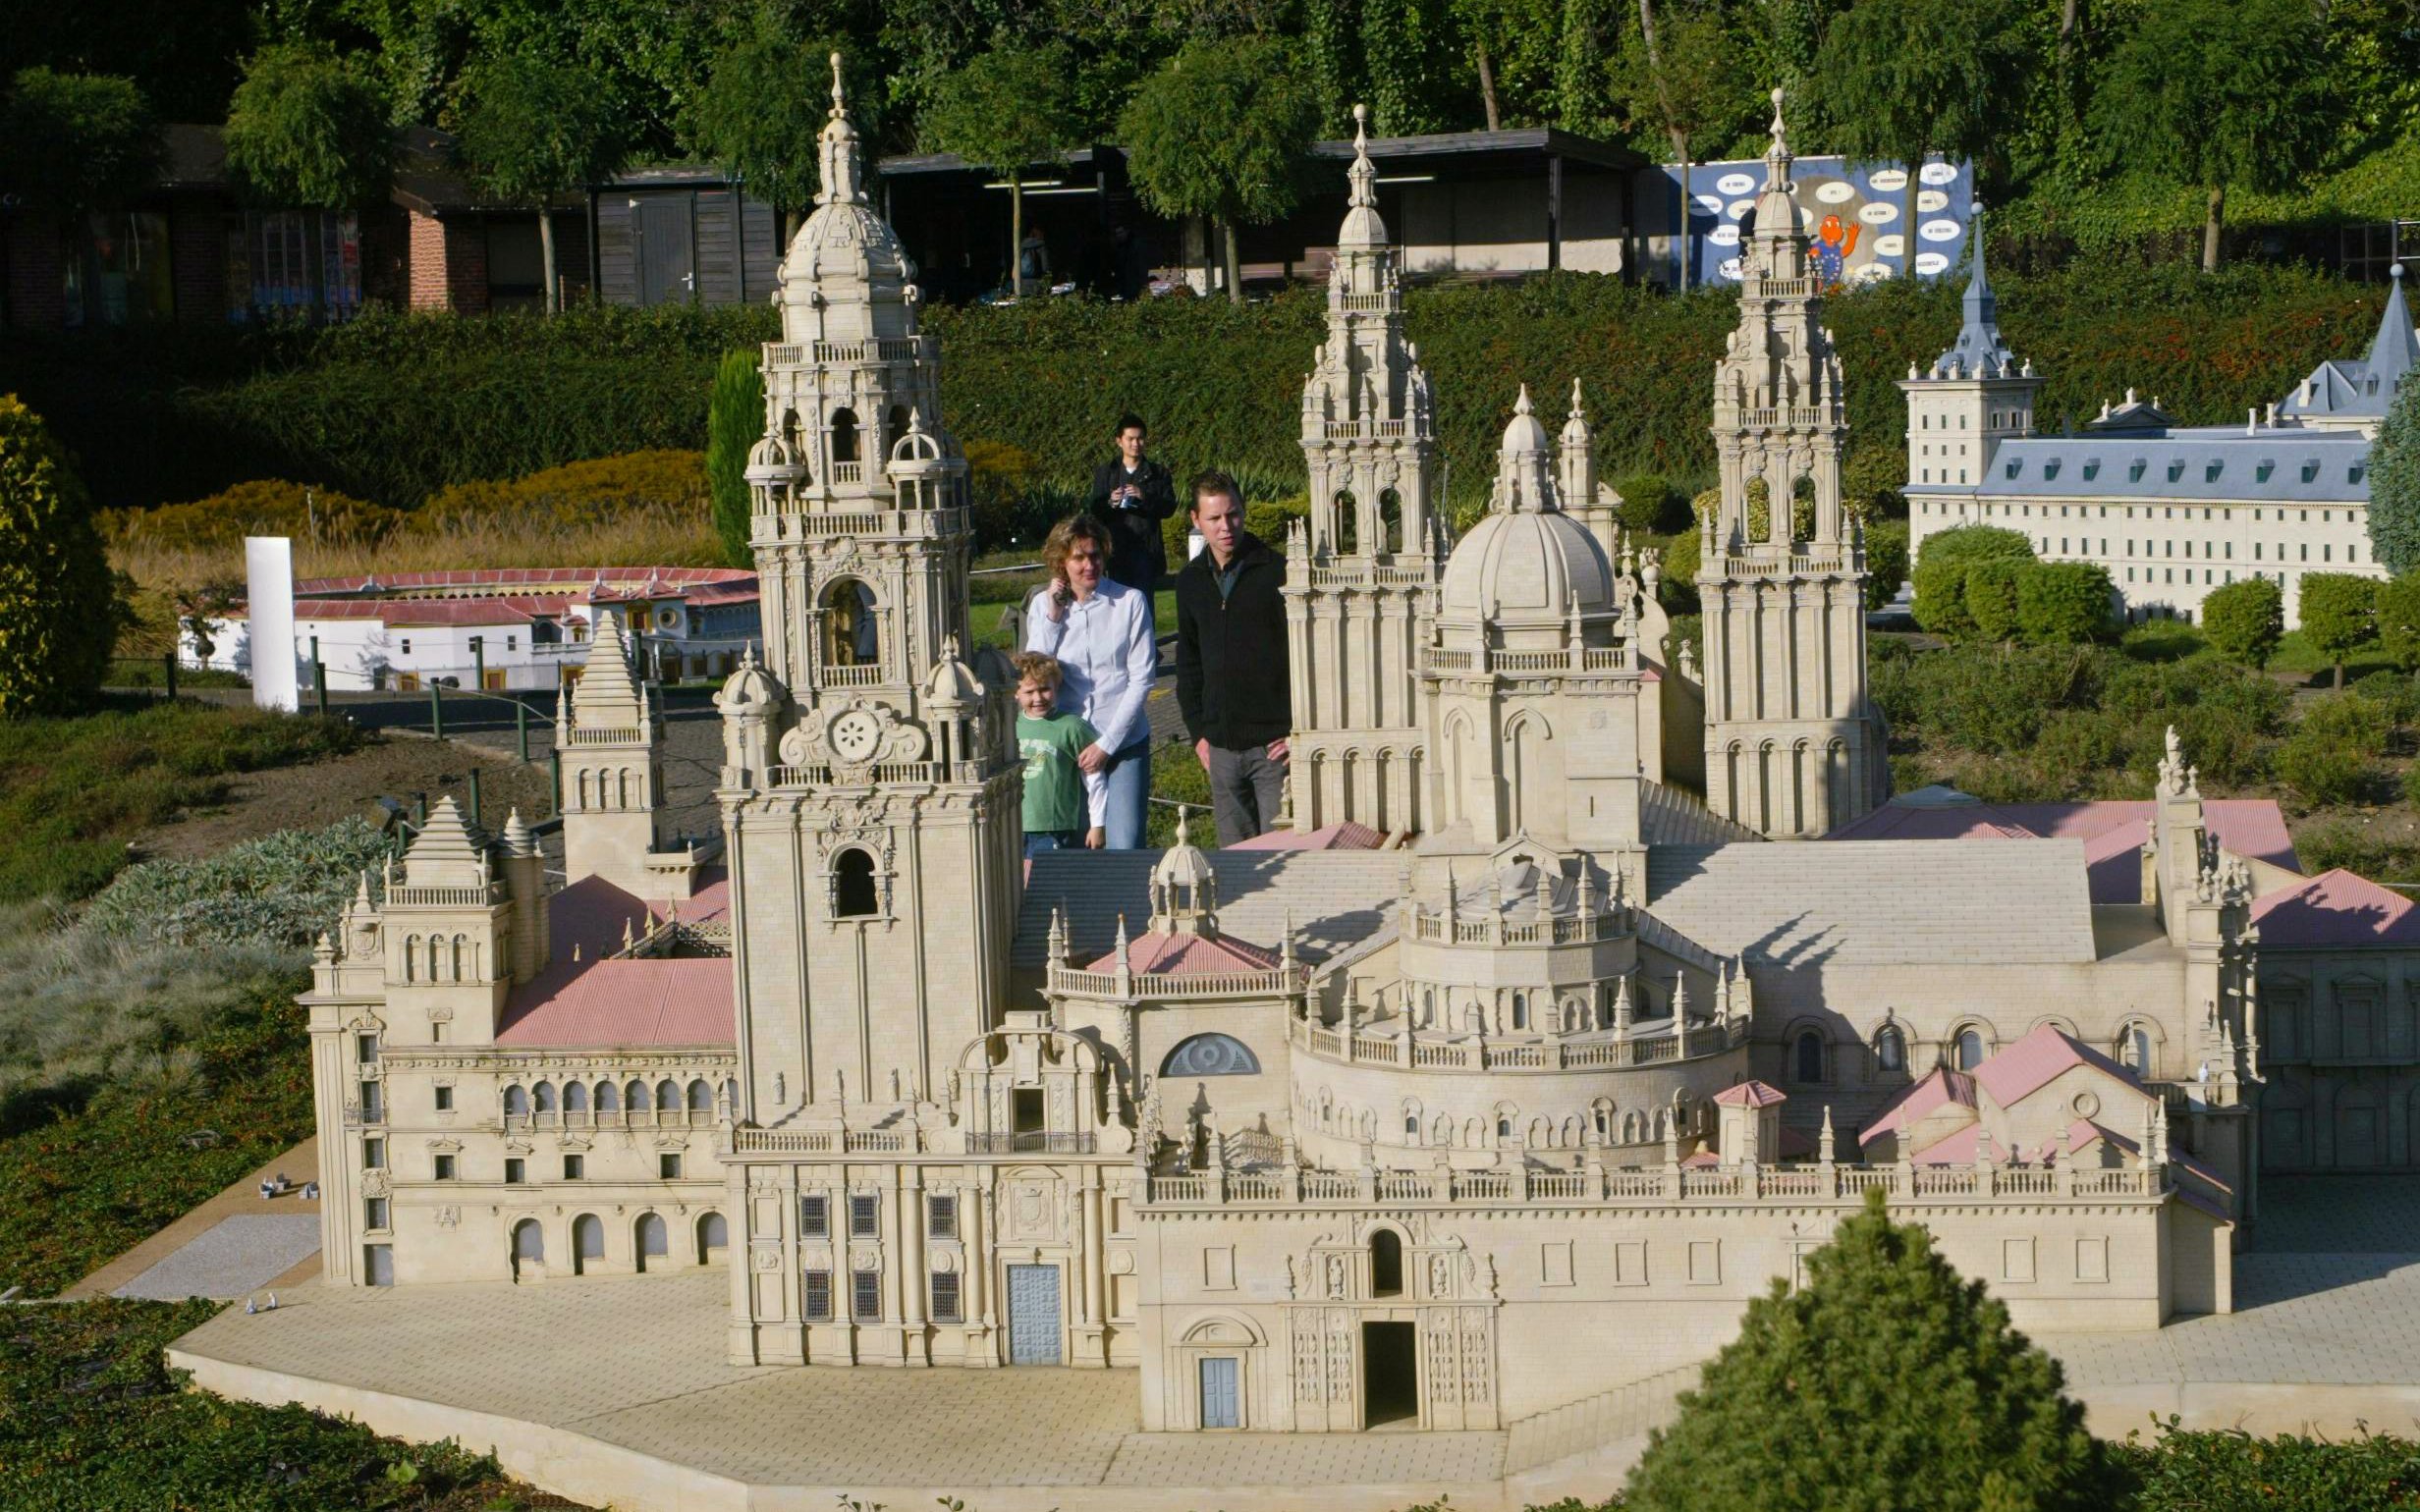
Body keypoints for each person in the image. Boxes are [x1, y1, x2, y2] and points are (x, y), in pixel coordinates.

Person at [1024, 515, 1157, 848]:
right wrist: (1054, 618)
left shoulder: (1129, 601)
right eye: (1079, 558)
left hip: (1123, 741)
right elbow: (1035, 673)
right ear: (1061, 563)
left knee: (1124, 846)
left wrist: (1106, 745)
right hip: (1069, 746)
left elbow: (1142, 679)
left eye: (1095, 555)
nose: (1089, 565)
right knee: (1075, 847)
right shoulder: (1043, 606)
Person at [1174, 471, 1291, 845]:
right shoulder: (1190, 582)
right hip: (1220, 748)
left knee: (1286, 853)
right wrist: (1199, 734)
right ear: (1195, 520)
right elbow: (1188, 663)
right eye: (1214, 518)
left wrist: (1300, 731)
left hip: (1274, 748)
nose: (1226, 526)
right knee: (1239, 865)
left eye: (1233, 514)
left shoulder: (1279, 572)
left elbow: (1307, 660)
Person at [1013, 651, 1107, 857]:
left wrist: (1097, 825)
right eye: (1029, 692)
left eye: (1045, 689)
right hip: (1011, 827)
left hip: (1054, 829)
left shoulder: (1071, 727)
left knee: (1046, 886)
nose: (1038, 698)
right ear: (1016, 692)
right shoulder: (1008, 727)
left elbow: (1093, 777)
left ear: (1056, 688)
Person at [1087, 414, 1179, 596]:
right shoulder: (1106, 472)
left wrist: (1143, 496)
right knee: (1117, 609)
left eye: (1140, 438)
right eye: (1130, 439)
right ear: (1119, 441)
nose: (1136, 443)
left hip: (1146, 552)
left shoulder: (1158, 473)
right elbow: (1096, 510)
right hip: (1115, 552)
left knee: (1144, 608)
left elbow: (1168, 507)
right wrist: (1111, 502)